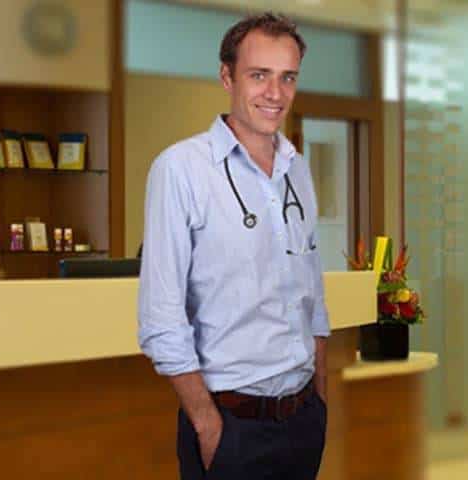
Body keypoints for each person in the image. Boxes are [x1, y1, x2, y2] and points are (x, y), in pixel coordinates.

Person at [137, 13, 330, 480]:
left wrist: (320, 398)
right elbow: (161, 318)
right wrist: (206, 424)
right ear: (227, 77)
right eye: (259, 75)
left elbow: (312, 301)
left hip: (302, 418)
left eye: (287, 78)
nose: (275, 93)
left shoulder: (296, 170)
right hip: (231, 427)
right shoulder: (181, 169)